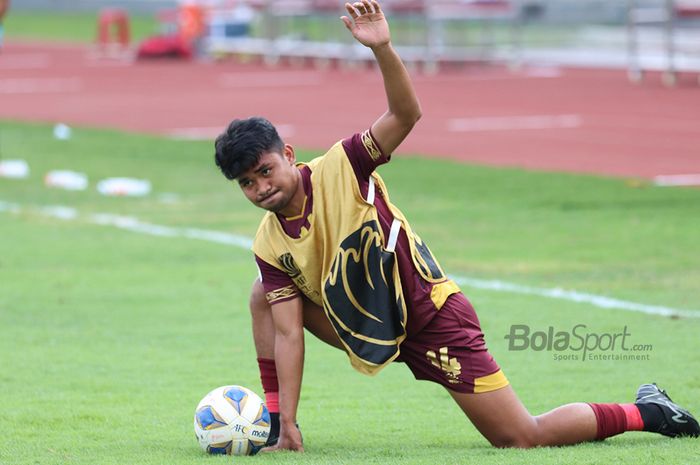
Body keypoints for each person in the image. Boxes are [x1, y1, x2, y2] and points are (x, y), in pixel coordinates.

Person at [214, 0, 699, 452]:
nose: (260, 187)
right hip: (368, 325)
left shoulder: (343, 165)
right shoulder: (269, 241)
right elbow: (289, 336)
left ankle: (648, 410)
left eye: (265, 171)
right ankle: (273, 420)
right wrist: (289, 421)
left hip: (431, 318)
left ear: (289, 156)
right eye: (246, 182)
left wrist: (382, 48)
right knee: (265, 294)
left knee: (520, 436)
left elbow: (406, 114)